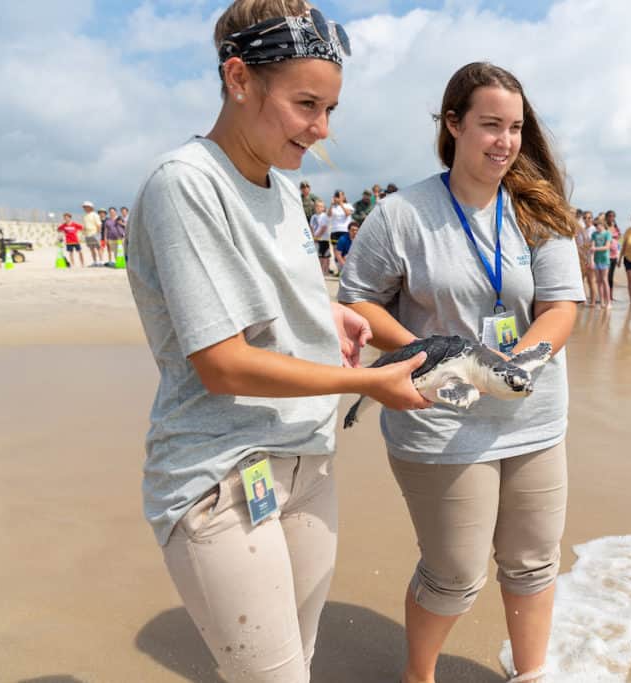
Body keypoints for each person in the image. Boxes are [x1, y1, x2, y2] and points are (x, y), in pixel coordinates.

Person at [123, 4, 430, 681]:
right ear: (239, 79)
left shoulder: (287, 193)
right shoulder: (186, 183)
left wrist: (329, 314)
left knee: (301, 664)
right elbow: (224, 364)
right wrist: (370, 382)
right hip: (222, 474)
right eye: (306, 105)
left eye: (331, 108)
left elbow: (268, 298)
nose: (322, 129)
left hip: (307, 460)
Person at [337, 61, 582, 683]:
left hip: (533, 416)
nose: (506, 141)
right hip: (440, 419)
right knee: (455, 574)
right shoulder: (402, 214)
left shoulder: (538, 209)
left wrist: (515, 365)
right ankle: (418, 676)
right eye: (491, 125)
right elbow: (358, 300)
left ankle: (531, 673)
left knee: (533, 562)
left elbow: (560, 307)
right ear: (454, 124)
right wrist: (439, 353)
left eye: (516, 128)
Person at [327, 188, 353, 273]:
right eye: (337, 196)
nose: (338, 197)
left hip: (345, 231)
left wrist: (341, 203)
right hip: (335, 231)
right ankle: (339, 270)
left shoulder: (348, 205)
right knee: (336, 252)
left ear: (344, 196)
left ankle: (346, 270)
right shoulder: (334, 207)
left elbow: (347, 213)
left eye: (340, 195)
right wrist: (331, 204)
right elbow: (329, 215)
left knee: (346, 251)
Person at [574, 209, 597, 306]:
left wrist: (584, 247)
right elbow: (577, 241)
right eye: (585, 218)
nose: (587, 219)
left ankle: (593, 301)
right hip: (581, 257)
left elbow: (592, 244)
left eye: (589, 218)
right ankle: (583, 301)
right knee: (581, 280)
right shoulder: (581, 229)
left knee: (591, 280)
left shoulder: (594, 230)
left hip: (590, 257)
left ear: (592, 219)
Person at [590, 215, 612, 308]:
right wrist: (592, 261)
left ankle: (609, 302)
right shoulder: (594, 234)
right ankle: (602, 302)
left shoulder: (607, 234)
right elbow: (592, 248)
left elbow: (607, 247)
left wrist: (595, 248)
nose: (596, 227)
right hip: (596, 260)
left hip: (604, 260)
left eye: (597, 225)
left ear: (602, 224)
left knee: (604, 280)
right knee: (598, 281)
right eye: (595, 225)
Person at [309, 198, 332, 273]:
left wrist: (317, 237)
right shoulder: (313, 216)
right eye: (317, 206)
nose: (318, 208)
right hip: (315, 239)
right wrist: (313, 237)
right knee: (318, 256)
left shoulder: (324, 216)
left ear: (323, 208)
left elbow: (324, 228)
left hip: (323, 239)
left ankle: (325, 271)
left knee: (325, 256)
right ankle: (320, 271)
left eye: (321, 206)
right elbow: (311, 227)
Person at [81, 201, 103, 266]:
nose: (85, 208)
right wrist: (84, 233)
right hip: (88, 234)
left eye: (86, 207)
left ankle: (101, 261)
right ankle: (94, 261)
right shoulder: (85, 216)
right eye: (84, 207)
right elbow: (84, 226)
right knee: (91, 248)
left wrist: (98, 233)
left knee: (98, 248)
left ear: (90, 207)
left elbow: (99, 225)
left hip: (94, 233)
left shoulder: (94, 215)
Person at [604, 209, 620, 300]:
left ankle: (610, 296)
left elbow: (617, 242)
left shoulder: (616, 228)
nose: (611, 218)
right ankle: (605, 295)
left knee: (611, 276)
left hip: (614, 255)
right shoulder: (604, 227)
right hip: (605, 255)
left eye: (613, 216)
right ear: (606, 217)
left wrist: (618, 256)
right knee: (606, 276)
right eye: (610, 216)